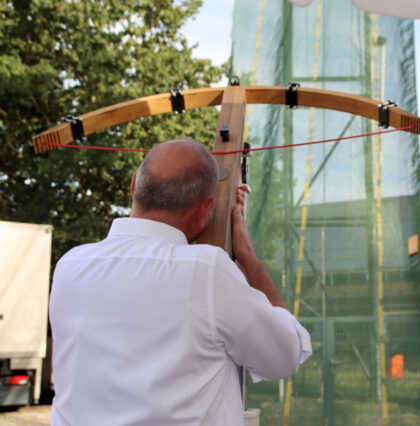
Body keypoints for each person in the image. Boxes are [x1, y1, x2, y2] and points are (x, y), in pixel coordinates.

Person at [49, 139, 312, 425]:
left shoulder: (70, 265)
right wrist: (247, 256)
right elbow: (286, 354)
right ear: (205, 211)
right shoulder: (206, 270)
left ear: (134, 185)